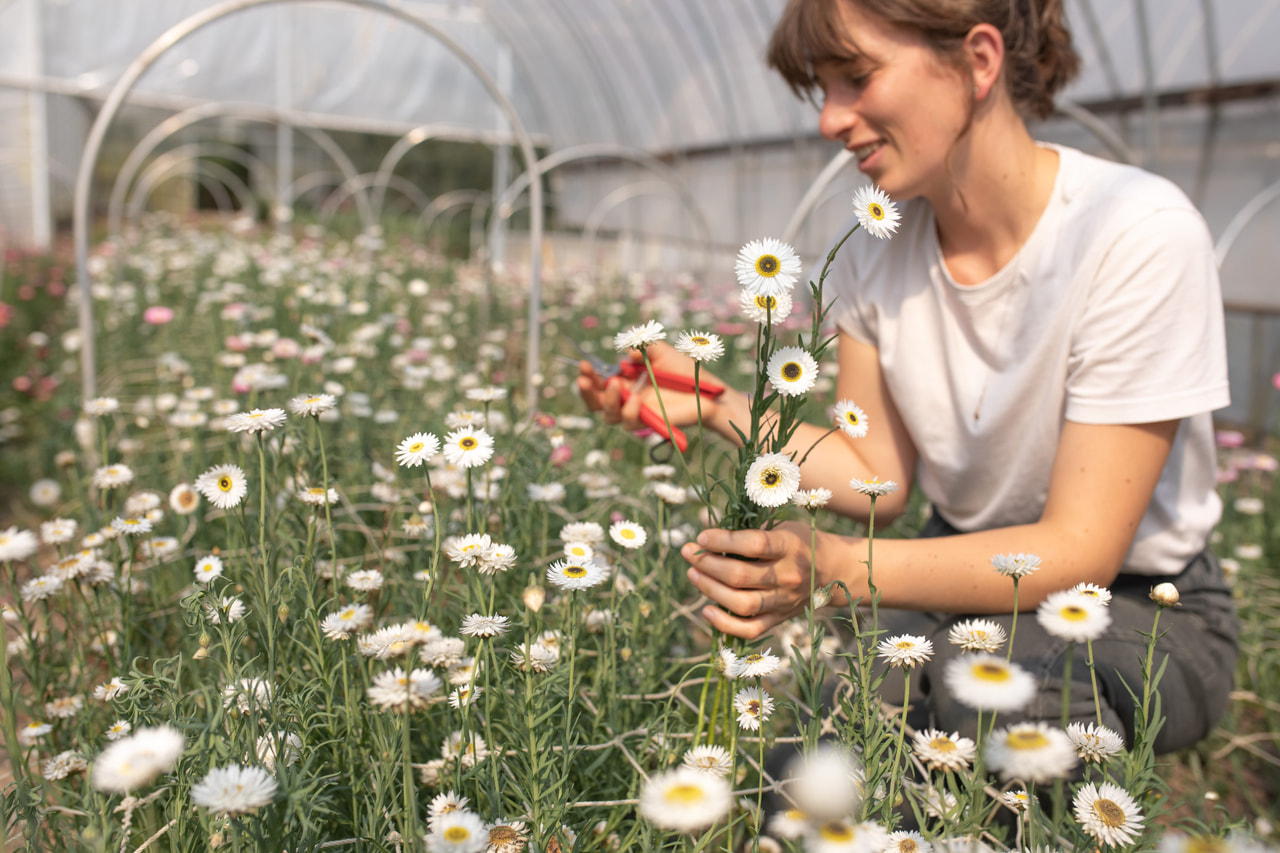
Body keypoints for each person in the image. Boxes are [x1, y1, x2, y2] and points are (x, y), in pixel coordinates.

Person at [577, 0, 1238, 752]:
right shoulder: (870, 255)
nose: (830, 120)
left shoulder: (1135, 234)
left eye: (855, 77)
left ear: (979, 61)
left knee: (992, 709)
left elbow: (1081, 547)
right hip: (953, 570)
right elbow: (876, 481)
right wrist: (715, 401)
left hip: (1140, 599)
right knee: (825, 746)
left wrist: (830, 566)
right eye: (821, 90)